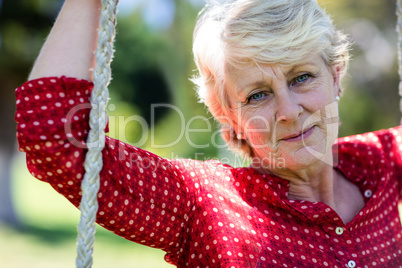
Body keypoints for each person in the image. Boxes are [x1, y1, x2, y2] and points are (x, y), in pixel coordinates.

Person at [15, 0, 402, 267]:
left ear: (335, 76)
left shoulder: (379, 161)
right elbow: (54, 137)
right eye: (258, 95)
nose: (287, 111)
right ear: (228, 116)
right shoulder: (204, 205)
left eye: (302, 77)